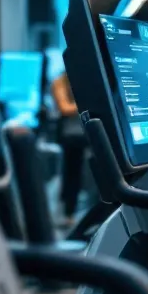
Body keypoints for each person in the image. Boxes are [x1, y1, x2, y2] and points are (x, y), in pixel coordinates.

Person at [51, 72, 87, 226]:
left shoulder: (87, 77)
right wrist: (88, 102)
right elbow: (64, 107)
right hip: (72, 134)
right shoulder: (60, 81)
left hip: (90, 131)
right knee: (72, 174)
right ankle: (68, 213)